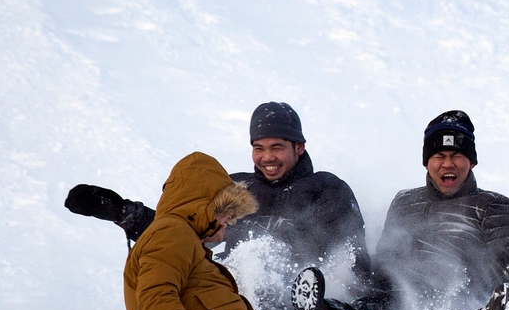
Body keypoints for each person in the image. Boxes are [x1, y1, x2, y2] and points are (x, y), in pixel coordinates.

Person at [125, 152, 509, 310]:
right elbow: (158, 305)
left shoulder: (178, 237)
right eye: (226, 213)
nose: (230, 224)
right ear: (204, 206)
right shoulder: (172, 236)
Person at [66, 102, 372, 293]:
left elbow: (352, 256)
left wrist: (351, 298)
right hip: (232, 291)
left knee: (265, 259)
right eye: (259, 148)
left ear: (299, 147)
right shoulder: (238, 189)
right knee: (233, 264)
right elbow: (182, 232)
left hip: (301, 291)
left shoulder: (325, 188)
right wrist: (127, 214)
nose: (267, 158)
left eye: (277, 147)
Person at [289, 110, 509, 310]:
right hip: (401, 300)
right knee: (379, 304)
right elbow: (388, 260)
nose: (447, 164)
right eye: (439, 156)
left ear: (471, 162)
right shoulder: (405, 201)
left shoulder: (493, 206)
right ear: (426, 162)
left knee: (412, 301)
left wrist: (497, 301)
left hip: (462, 303)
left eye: (457, 155)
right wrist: (364, 278)